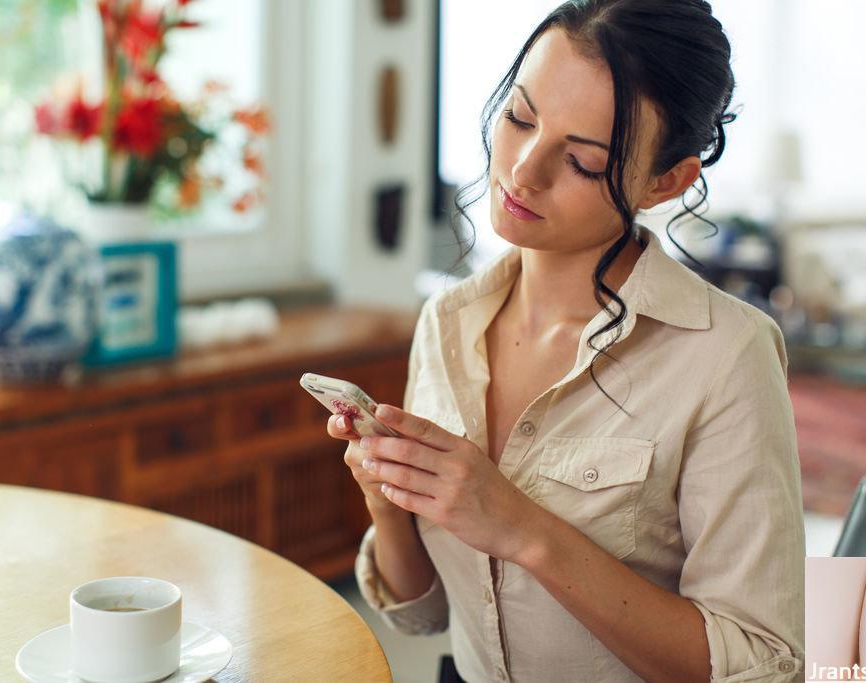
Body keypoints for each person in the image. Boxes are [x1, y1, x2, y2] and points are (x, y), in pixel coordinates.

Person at [326, 1, 805, 680]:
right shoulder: (447, 320)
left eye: (582, 162)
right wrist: (386, 491)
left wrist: (522, 528)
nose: (521, 170)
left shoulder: (726, 354)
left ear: (665, 181)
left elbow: (763, 661)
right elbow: (424, 614)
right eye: (520, 117)